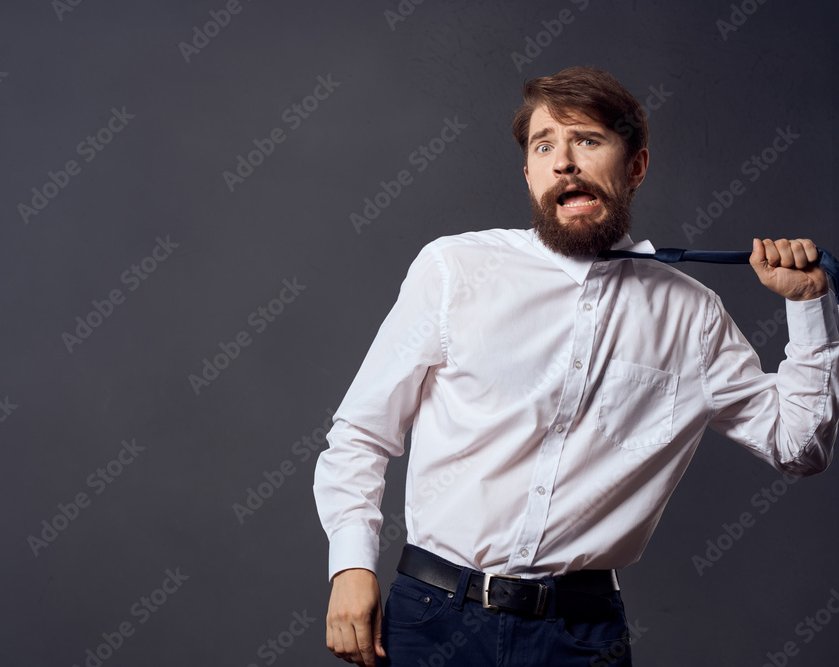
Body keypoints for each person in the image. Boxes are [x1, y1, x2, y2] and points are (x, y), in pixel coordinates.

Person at [312, 66, 839, 666]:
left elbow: (800, 448)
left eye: (586, 140)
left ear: (635, 166)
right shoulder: (454, 269)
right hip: (430, 619)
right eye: (544, 146)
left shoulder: (692, 315)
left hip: (580, 639)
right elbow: (360, 433)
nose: (564, 162)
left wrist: (808, 309)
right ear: (531, 173)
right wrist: (351, 567)